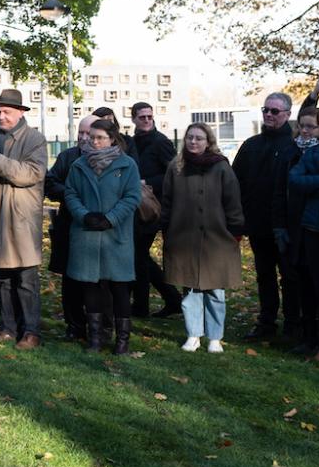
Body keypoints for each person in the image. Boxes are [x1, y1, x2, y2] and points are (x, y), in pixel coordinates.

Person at [0, 89, 48, 349]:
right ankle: (7, 327)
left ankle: (31, 332)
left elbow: (31, 173)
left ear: (21, 112)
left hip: (19, 219)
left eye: (6, 112)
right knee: (2, 276)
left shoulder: (34, 139)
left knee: (25, 279)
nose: (0, 116)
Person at [63, 119, 142, 354]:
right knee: (91, 288)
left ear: (112, 139)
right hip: (86, 234)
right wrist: (84, 216)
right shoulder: (79, 165)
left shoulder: (127, 165)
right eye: (91, 137)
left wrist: (111, 218)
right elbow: (71, 193)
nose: (94, 141)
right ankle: (95, 338)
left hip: (115, 235)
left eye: (99, 137)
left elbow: (132, 197)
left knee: (119, 288)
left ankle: (122, 342)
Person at [166, 123, 245, 353]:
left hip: (217, 238)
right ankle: (193, 334)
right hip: (184, 237)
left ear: (208, 141)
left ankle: (215, 337)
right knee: (190, 290)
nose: (193, 142)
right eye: (190, 137)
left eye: (199, 138)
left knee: (215, 290)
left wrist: (235, 230)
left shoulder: (221, 167)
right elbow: (167, 200)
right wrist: (166, 228)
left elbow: (233, 200)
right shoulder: (176, 166)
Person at [233, 92, 298, 341]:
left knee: (290, 278)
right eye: (265, 110)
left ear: (287, 115)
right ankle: (266, 323)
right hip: (258, 224)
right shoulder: (251, 145)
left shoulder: (293, 146)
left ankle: (293, 326)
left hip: (285, 226)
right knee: (265, 276)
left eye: (275, 111)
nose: (269, 115)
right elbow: (235, 181)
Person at [45, 115, 98, 342]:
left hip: (97, 229)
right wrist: (70, 193)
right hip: (69, 225)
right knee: (71, 280)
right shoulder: (67, 157)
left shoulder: (110, 159)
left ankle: (98, 326)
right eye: (81, 133)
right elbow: (49, 182)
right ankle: (74, 325)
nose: (84, 138)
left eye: (89, 133)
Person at [129, 101, 183, 318]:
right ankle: (171, 299)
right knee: (139, 256)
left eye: (150, 117)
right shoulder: (133, 142)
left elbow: (173, 173)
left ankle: (144, 305)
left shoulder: (160, 142)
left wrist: (147, 181)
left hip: (154, 208)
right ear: (133, 118)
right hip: (137, 204)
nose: (147, 120)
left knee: (139, 255)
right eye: (142, 117)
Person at [274, 108, 319, 355]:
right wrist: (279, 225)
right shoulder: (290, 153)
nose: (304, 130)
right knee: (300, 284)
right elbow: (282, 189)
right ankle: (304, 334)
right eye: (301, 125)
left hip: (315, 227)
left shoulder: (317, 154)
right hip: (295, 227)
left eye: (310, 126)